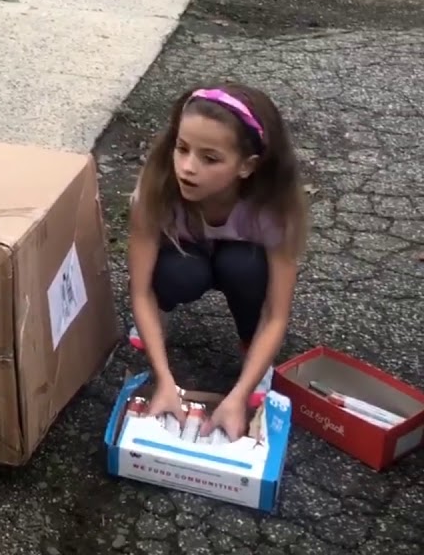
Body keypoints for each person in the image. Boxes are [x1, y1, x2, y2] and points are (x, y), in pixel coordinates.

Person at [126, 83, 309, 440]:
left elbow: (277, 314)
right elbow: (140, 291)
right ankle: (156, 328)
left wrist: (239, 396)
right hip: (183, 257)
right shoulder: (157, 191)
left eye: (209, 158)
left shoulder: (272, 210)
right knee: (180, 273)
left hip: (237, 260)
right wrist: (165, 381)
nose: (187, 168)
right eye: (181, 148)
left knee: (245, 267)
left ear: (247, 166)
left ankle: (251, 350)